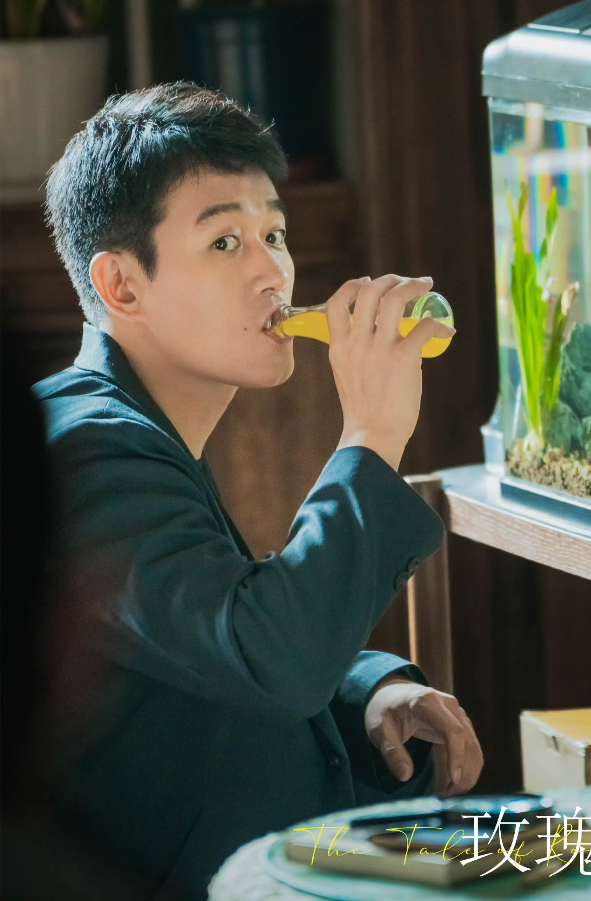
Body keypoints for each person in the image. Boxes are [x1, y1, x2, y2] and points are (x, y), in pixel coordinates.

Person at [33, 82, 483, 899]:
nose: (273, 268)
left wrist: (371, 689)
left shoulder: (137, 429)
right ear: (122, 285)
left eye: (273, 232)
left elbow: (213, 645)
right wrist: (371, 434)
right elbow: (270, 654)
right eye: (224, 241)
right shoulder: (89, 449)